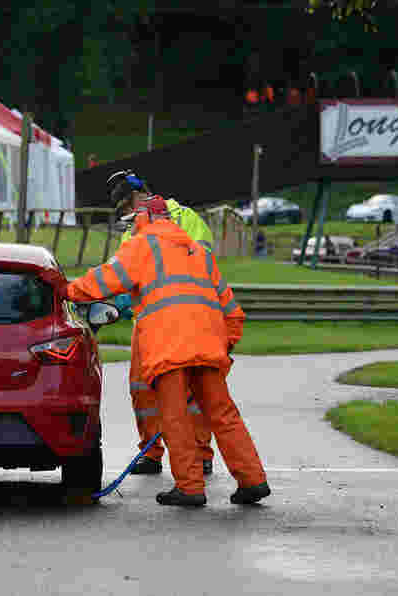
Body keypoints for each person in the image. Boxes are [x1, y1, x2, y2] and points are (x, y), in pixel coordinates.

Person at [40, 196, 270, 507]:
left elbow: (106, 280)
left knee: (174, 418)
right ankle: (253, 480)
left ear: (145, 219)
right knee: (224, 415)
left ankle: (190, 488)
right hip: (207, 346)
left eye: (135, 221)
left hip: (168, 347)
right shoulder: (199, 252)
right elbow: (232, 311)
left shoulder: (141, 246)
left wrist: (67, 289)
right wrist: (224, 344)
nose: (133, 226)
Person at [105, 169, 217, 477]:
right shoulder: (131, 232)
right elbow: (121, 275)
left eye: (127, 207)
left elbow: (204, 264)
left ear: (138, 197)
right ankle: (151, 452)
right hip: (148, 322)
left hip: (187, 317)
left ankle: (199, 452)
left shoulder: (186, 218)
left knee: (193, 389)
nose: (127, 216)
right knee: (142, 389)